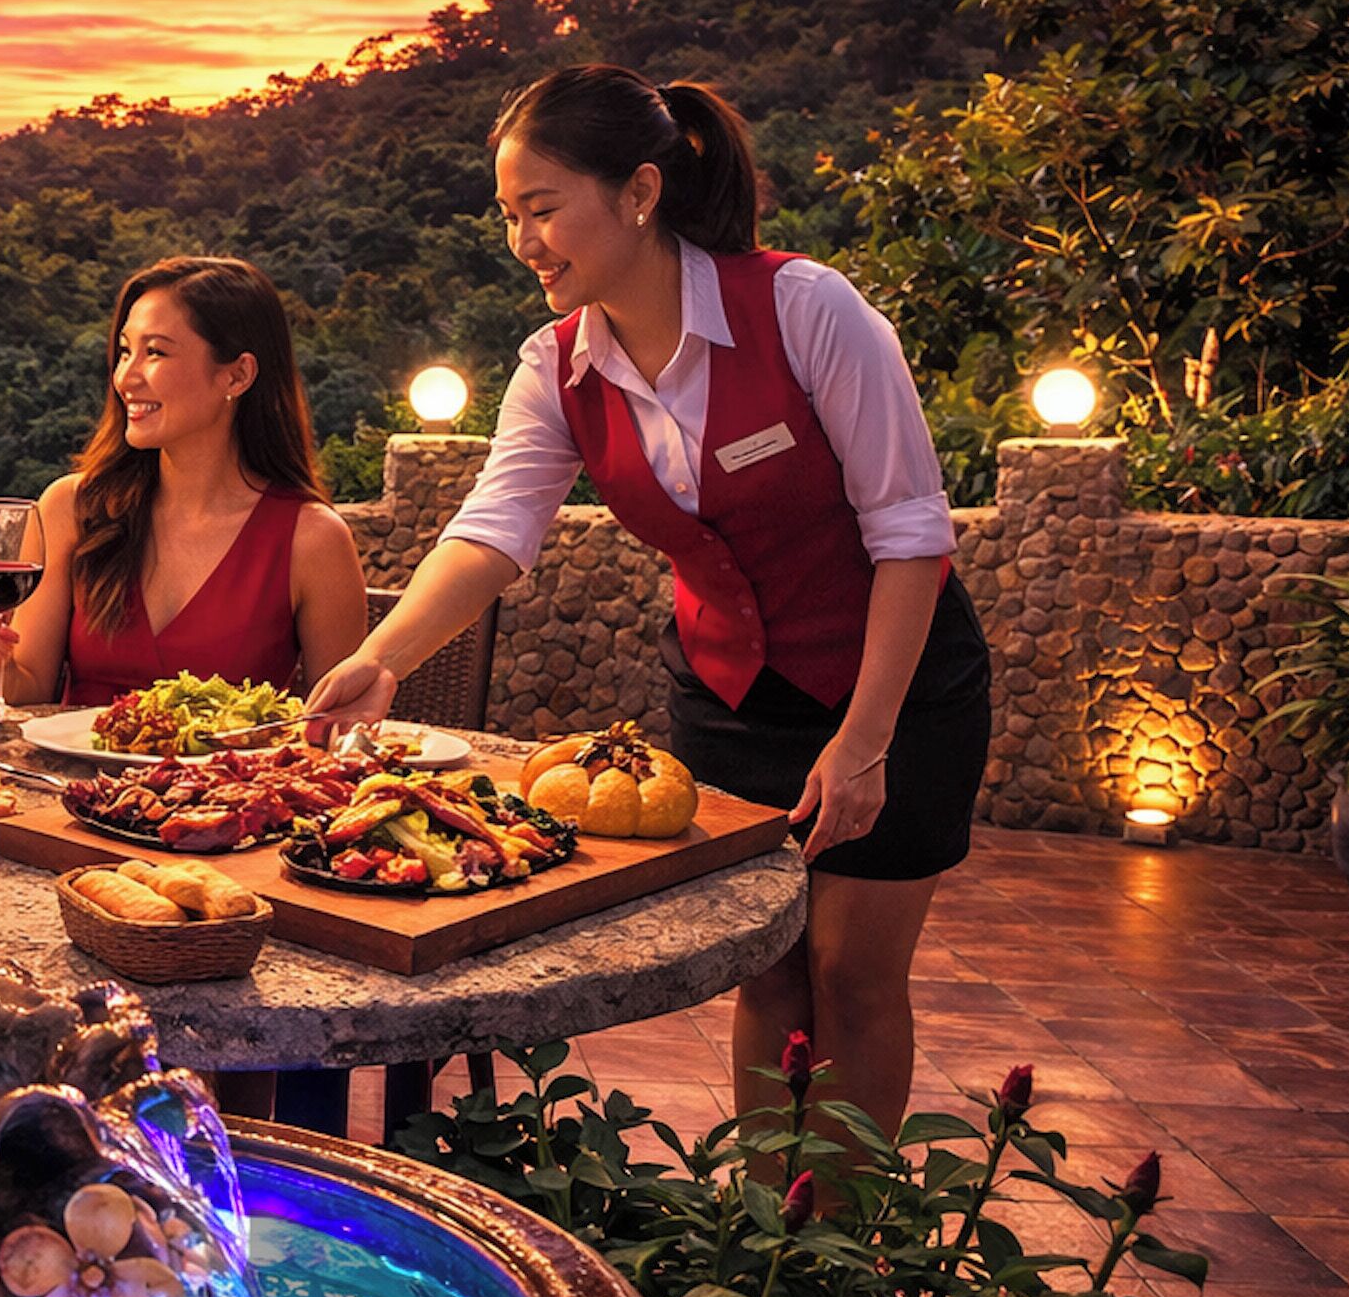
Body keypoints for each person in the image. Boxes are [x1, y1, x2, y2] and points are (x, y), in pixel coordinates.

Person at [304, 67, 990, 1141]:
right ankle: (769, 1229)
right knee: (767, 965)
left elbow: (911, 534)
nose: (524, 239)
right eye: (509, 216)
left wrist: (866, 738)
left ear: (638, 192)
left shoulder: (807, 307)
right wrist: (383, 657)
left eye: (543, 208)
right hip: (727, 696)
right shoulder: (558, 365)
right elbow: (493, 531)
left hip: (896, 688)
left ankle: (845, 1239)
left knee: (852, 970)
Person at [0, 255, 367, 713]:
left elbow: (338, 730)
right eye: (126, 351)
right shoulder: (71, 507)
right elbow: (24, 698)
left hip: (224, 785)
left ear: (237, 374)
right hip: (63, 784)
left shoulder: (313, 540)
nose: (125, 376)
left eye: (156, 352)